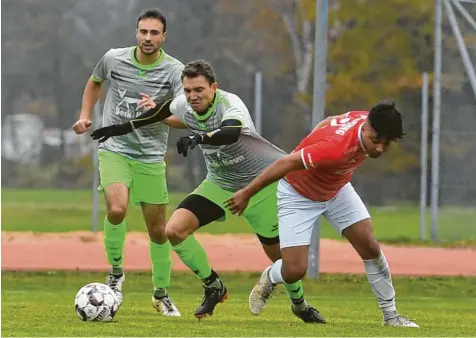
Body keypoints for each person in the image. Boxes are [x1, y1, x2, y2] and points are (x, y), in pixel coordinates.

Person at [90, 60, 326, 323]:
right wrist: (123, 127)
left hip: (258, 185)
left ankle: (300, 304)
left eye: (199, 90)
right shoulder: (184, 103)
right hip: (220, 184)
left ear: (214, 87)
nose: (192, 96)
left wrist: (199, 137)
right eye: (188, 90)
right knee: (174, 230)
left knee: (283, 261)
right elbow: (160, 111)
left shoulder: (229, 104)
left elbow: (231, 133)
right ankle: (214, 286)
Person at [225, 100, 420, 328]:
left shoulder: (367, 118)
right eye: (375, 140)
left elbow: (329, 121)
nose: (379, 148)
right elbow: (286, 162)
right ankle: (270, 276)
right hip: (298, 194)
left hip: (337, 189)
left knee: (370, 247)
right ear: (365, 127)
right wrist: (246, 193)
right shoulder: (335, 149)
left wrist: (317, 140)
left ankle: (391, 316)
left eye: (386, 144)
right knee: (295, 270)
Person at [72, 8, 184, 317]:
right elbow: (95, 82)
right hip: (115, 149)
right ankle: (116, 274)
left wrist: (159, 110)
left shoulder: (176, 71)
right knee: (117, 209)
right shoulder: (113, 58)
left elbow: (184, 117)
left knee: (158, 230)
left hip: (150, 157)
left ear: (164, 36)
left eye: (154, 33)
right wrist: (85, 115)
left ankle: (161, 294)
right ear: (136, 33)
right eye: (143, 32)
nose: (148, 38)